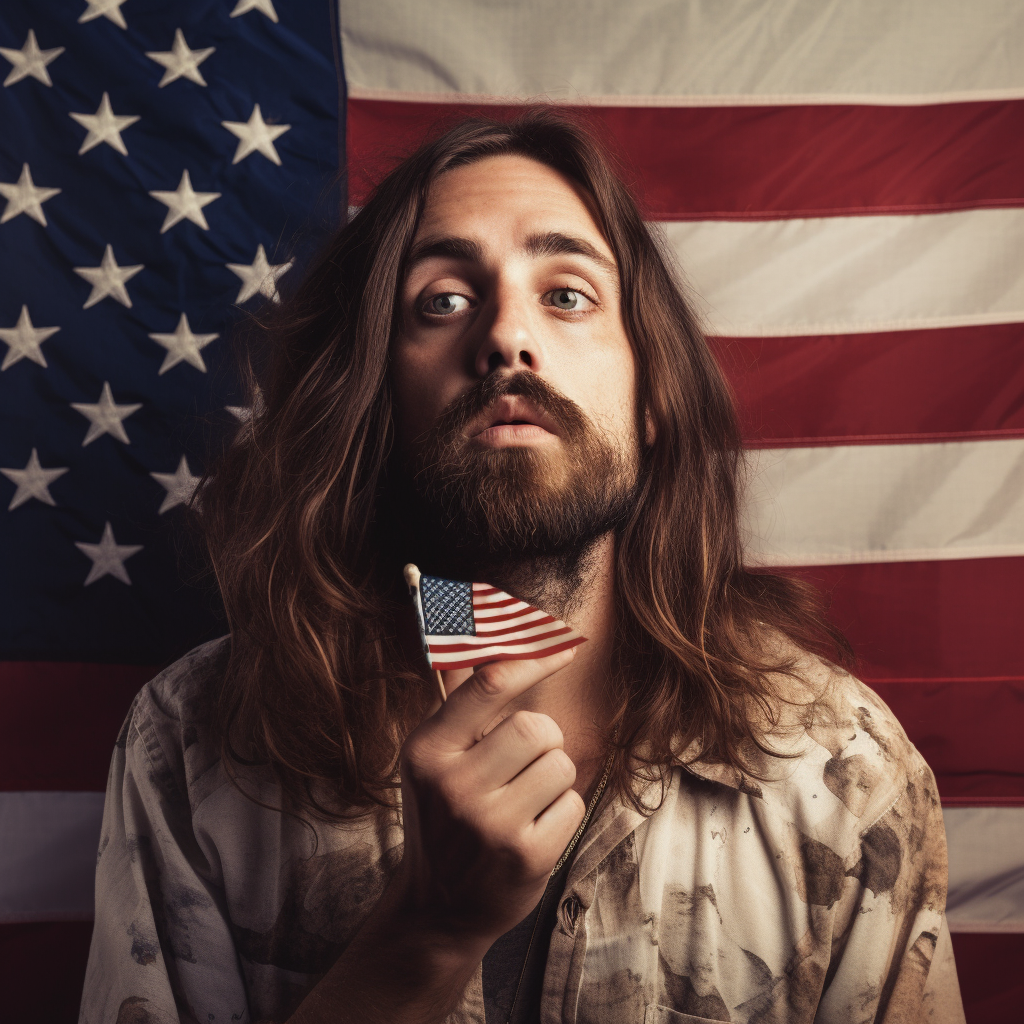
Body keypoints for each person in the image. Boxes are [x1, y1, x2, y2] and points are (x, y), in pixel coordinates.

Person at [80, 110, 964, 1024]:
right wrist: (426, 930)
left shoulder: (838, 768)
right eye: (444, 300)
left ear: (653, 395)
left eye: (568, 294)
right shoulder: (192, 744)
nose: (506, 336)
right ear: (375, 400)